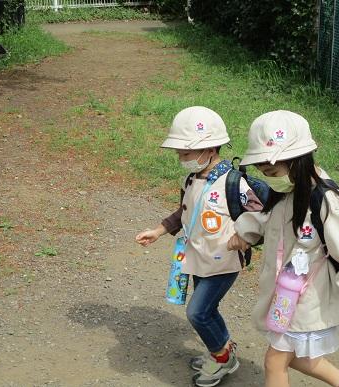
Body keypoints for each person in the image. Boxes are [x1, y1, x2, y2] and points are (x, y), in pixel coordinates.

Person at [226, 110, 339, 387]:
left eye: (271, 171)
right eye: (262, 171)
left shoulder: (325, 198)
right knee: (297, 357)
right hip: (288, 297)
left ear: (297, 160)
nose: (267, 177)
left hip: (310, 298)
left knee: (274, 361)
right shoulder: (289, 190)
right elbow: (270, 218)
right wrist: (245, 231)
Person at [135, 106, 263, 387]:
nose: (181, 159)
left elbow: (261, 215)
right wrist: (158, 231)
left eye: (186, 154)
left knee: (197, 312)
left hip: (224, 263)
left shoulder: (233, 182)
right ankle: (222, 349)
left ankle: (222, 359)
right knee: (208, 309)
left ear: (210, 148)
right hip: (197, 257)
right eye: (179, 154)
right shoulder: (191, 178)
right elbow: (184, 212)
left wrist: (247, 236)